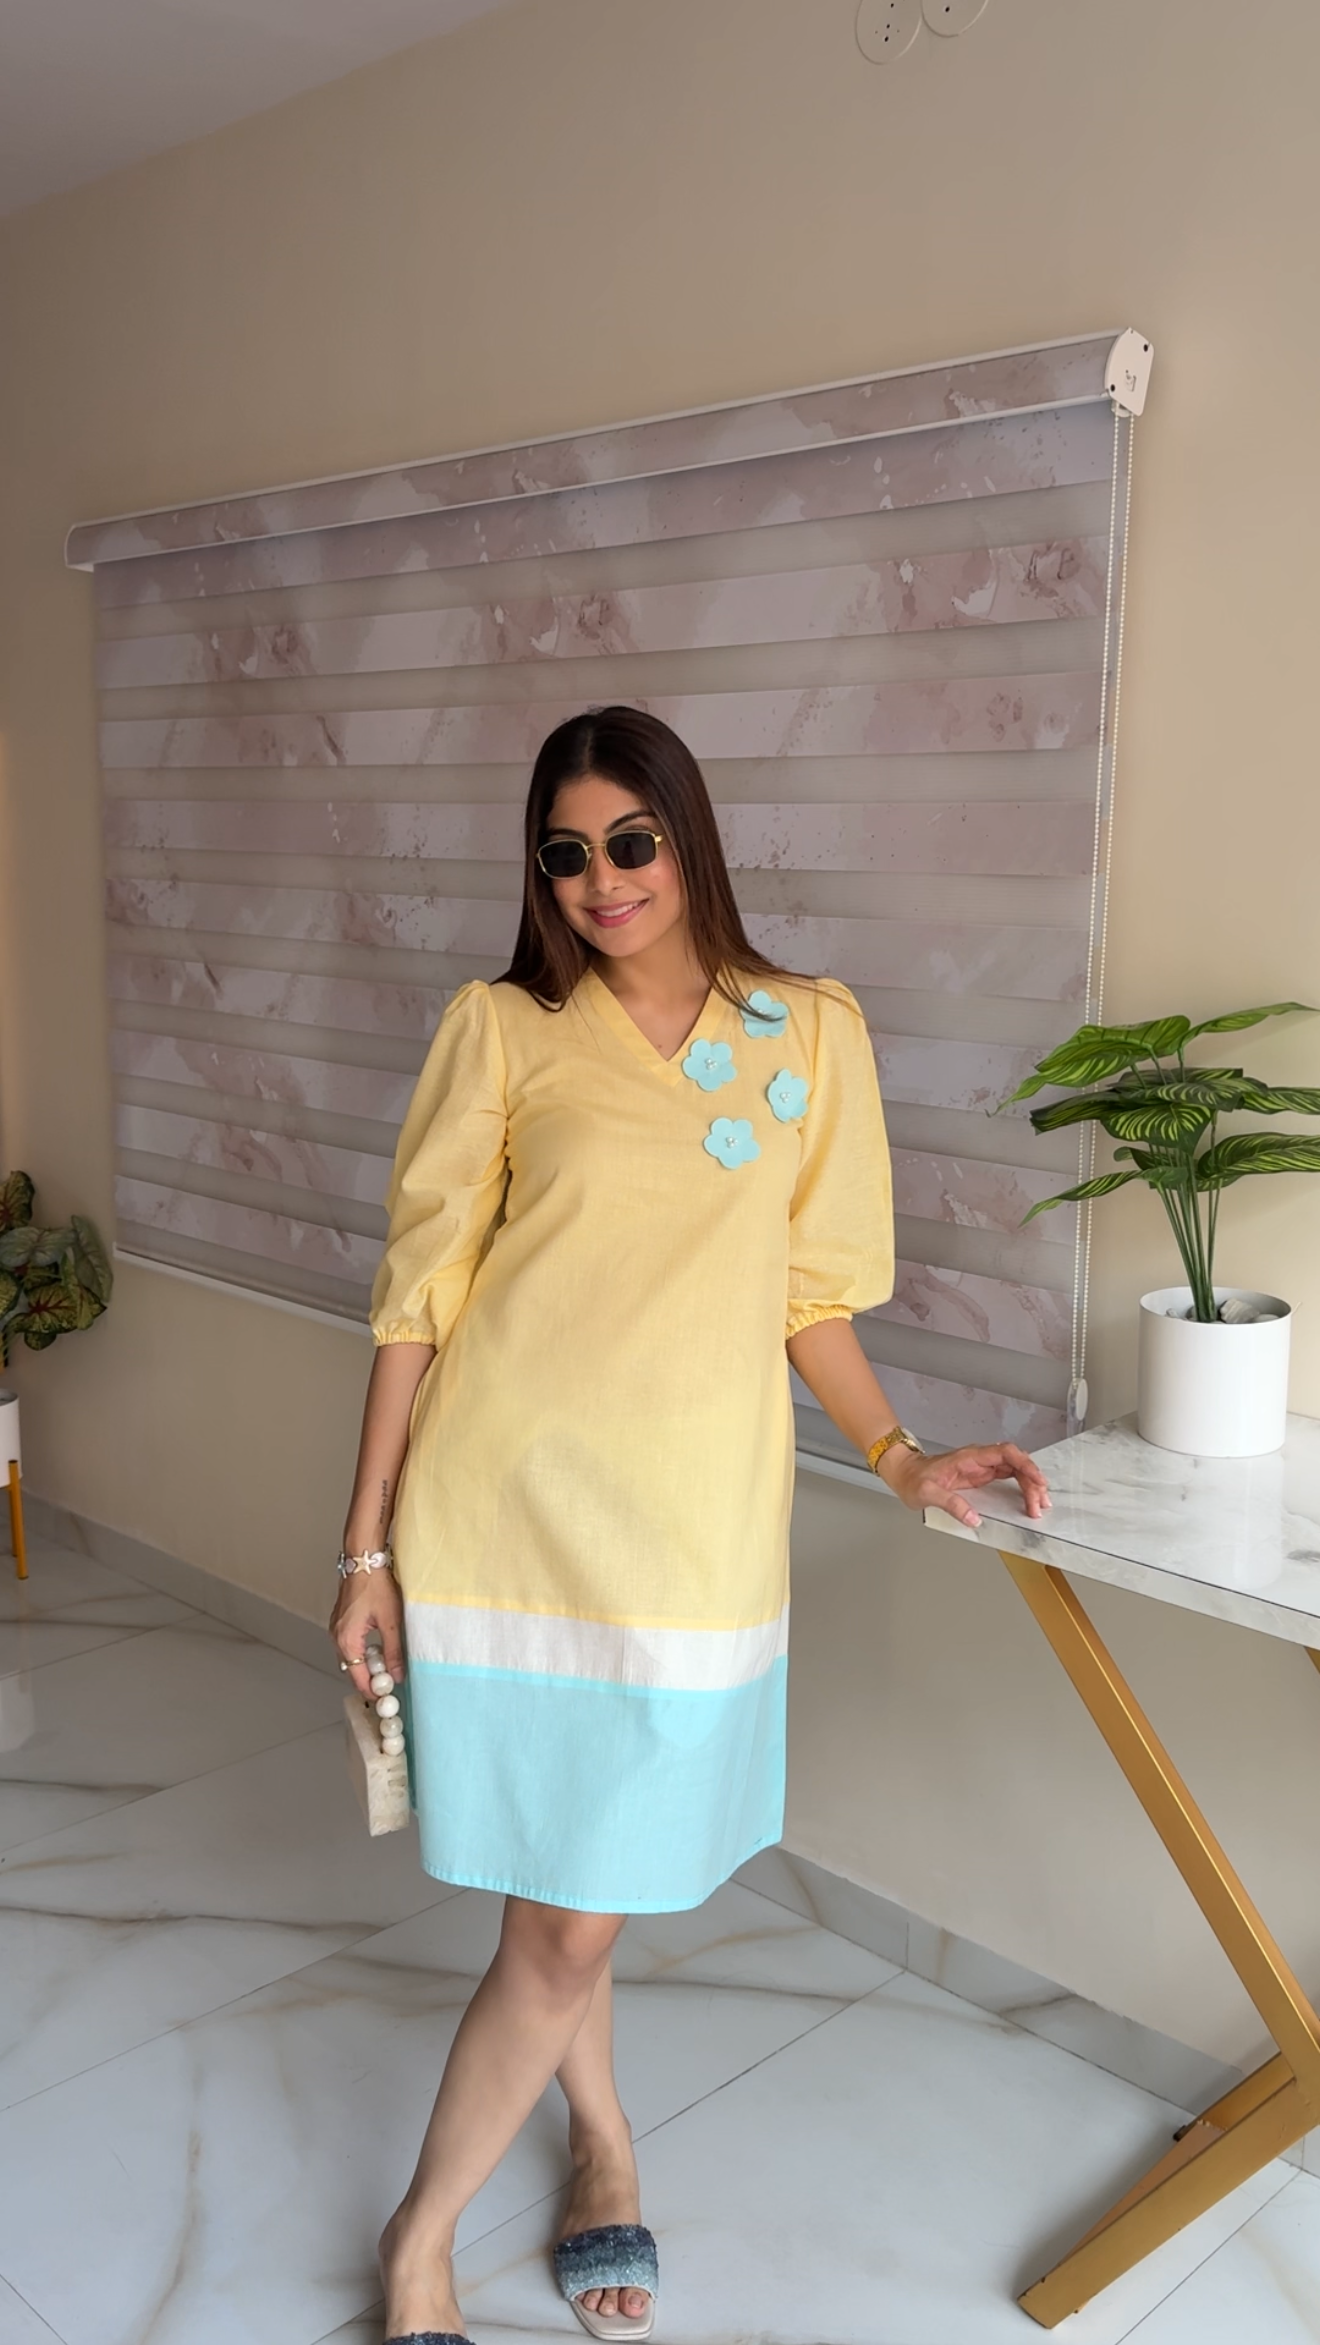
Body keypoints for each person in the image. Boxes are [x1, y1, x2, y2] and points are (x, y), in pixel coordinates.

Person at [330, 705, 1050, 2345]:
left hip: (690, 1531)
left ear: (687, 835)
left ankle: (591, 2138)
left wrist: (900, 1455)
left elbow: (811, 1293)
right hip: (504, 1512)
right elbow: (420, 1301)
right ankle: (438, 2232)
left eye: (631, 842)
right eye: (566, 854)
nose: (602, 880)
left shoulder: (813, 1032)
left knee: (578, 1887)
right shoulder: (501, 1029)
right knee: (562, 1899)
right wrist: (364, 1550)